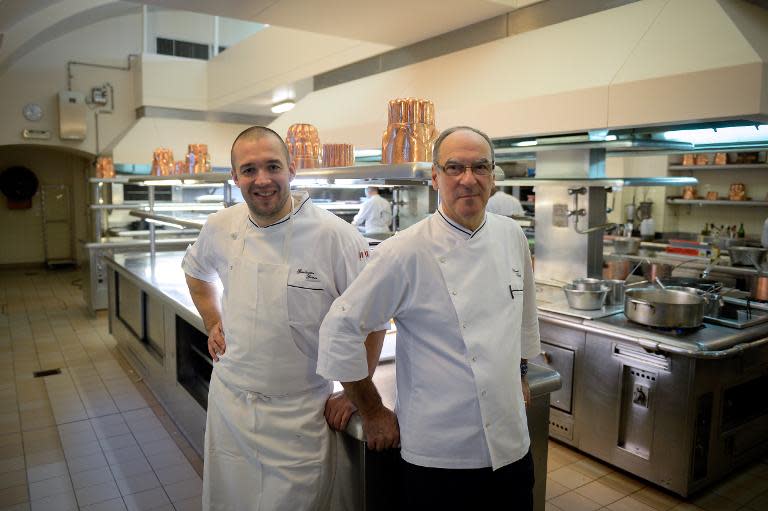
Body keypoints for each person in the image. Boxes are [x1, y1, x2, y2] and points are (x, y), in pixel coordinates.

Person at [317, 126, 540, 509]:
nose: (468, 179)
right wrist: (370, 408)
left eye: (479, 167)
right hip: (439, 454)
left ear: (493, 174)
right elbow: (340, 329)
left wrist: (520, 373)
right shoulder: (404, 251)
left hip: (511, 444)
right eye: (454, 167)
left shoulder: (511, 236)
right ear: (435, 176)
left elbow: (523, 313)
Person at [182, 126, 385, 511]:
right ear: (234, 177)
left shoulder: (335, 236)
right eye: (248, 170)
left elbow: (373, 318)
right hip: (231, 406)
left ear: (292, 170)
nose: (262, 180)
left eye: (272, 166)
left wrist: (360, 389)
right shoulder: (221, 227)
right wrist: (212, 320)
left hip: (300, 415)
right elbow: (195, 272)